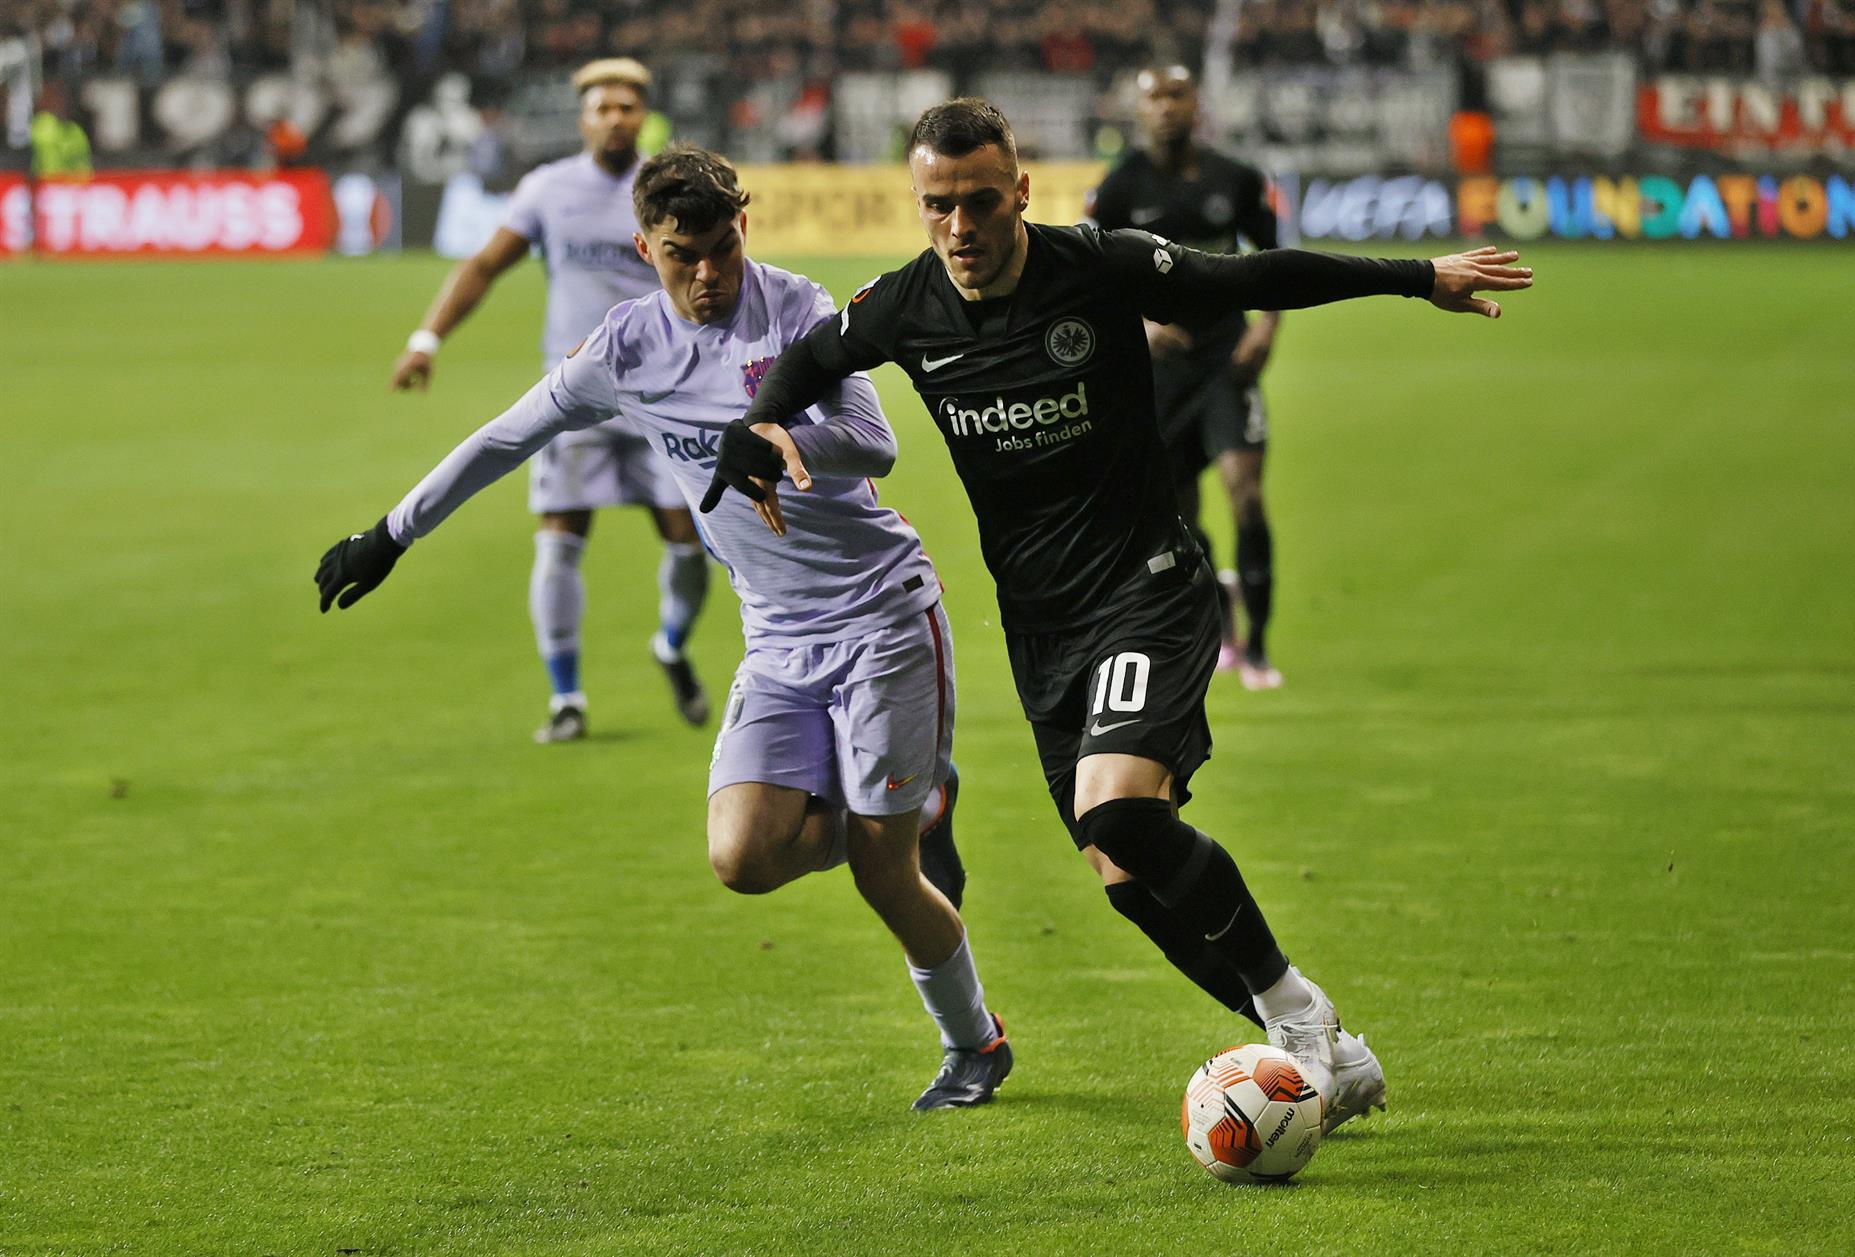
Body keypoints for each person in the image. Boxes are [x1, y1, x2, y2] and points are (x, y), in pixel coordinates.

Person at [710, 98, 1531, 1132]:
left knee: (1118, 813)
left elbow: (1250, 277)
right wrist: (760, 425)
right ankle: (1333, 1054)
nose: (958, 226)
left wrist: (1420, 278)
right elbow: (815, 356)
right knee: (1121, 871)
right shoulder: (905, 305)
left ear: (1020, 193)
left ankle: (1298, 1016)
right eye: (935, 205)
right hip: (1040, 622)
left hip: (1147, 582)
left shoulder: (1097, 263)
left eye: (977, 202)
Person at [317, 146, 1006, 1111]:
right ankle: (905, 797)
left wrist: (777, 436)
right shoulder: (625, 348)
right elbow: (506, 437)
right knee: (741, 856)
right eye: (685, 253)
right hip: (776, 635)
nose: (710, 272)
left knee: (886, 878)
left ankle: (973, 1042)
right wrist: (390, 534)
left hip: (882, 614)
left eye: (723, 246)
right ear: (646, 247)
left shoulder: (800, 310)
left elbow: (877, 441)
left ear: (744, 231)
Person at [389, 57, 711, 743]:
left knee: (690, 543)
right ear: (583, 117)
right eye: (603, 107)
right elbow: (483, 265)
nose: (615, 117)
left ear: (643, 114)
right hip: (576, 394)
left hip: (666, 393)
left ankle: (672, 645)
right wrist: (427, 338)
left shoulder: (675, 187)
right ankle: (567, 697)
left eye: (627, 106)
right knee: (560, 539)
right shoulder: (548, 189)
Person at [1088, 65, 1285, 690]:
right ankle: (1220, 611)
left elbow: (1277, 258)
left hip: (1228, 361)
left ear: (1196, 104)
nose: (1168, 108)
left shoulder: (1236, 179)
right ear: (1138, 109)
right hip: (1163, 373)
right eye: (1154, 98)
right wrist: (1139, 329)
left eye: (1178, 95)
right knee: (1178, 512)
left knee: (1246, 494)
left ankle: (1257, 646)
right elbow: (1091, 280)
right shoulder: (1119, 191)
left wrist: (1267, 327)